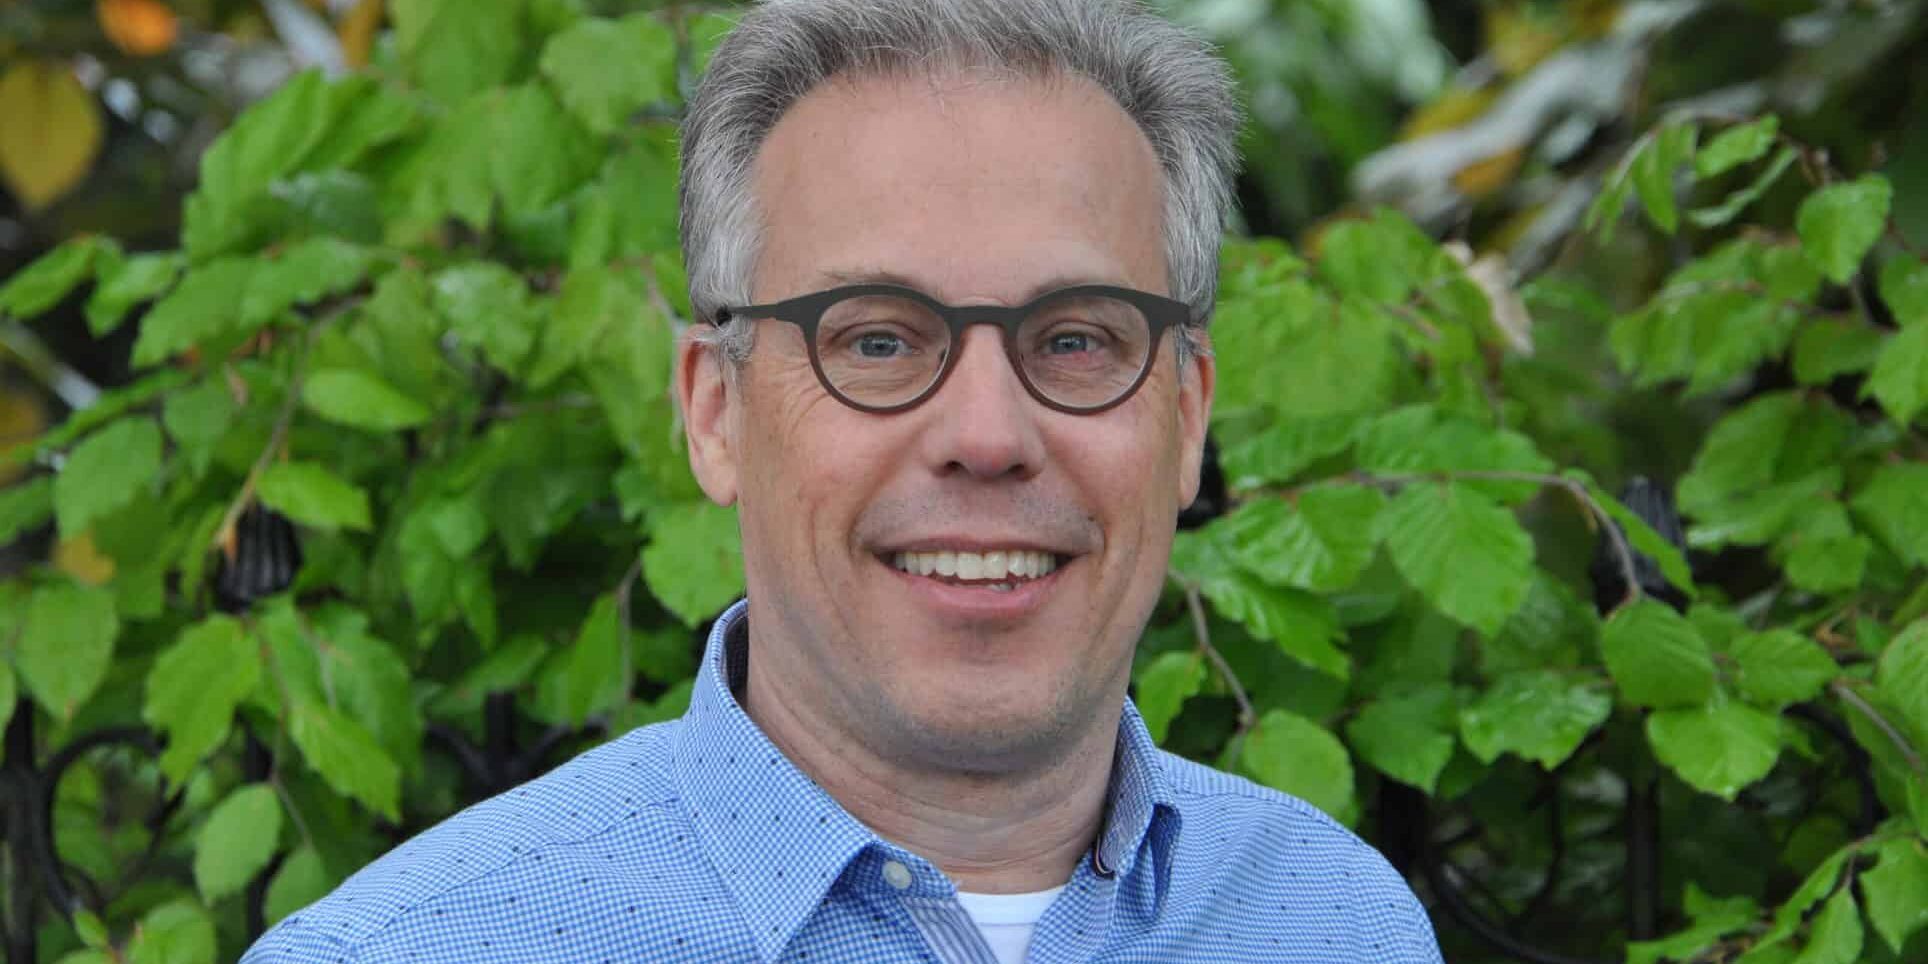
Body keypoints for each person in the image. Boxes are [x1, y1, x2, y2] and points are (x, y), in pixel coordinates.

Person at [243, 0, 1445, 960]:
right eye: (875, 339)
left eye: (1076, 338)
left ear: (1185, 416)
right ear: (713, 411)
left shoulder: (1337, 922)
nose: (987, 433)